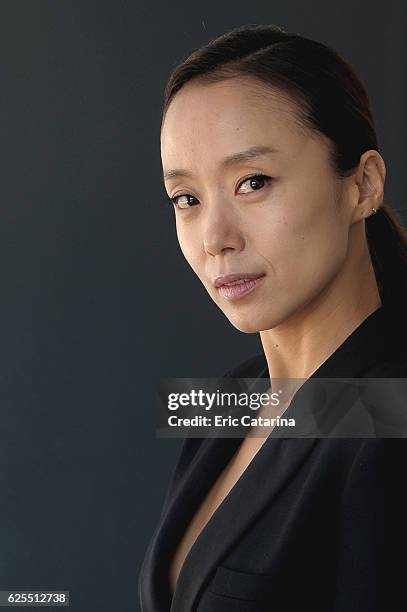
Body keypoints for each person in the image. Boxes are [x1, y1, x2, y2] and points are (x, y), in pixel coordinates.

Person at [139, 24, 407, 611]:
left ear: (362, 185)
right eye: (187, 199)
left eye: (253, 182)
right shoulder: (230, 399)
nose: (215, 238)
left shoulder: (392, 424)